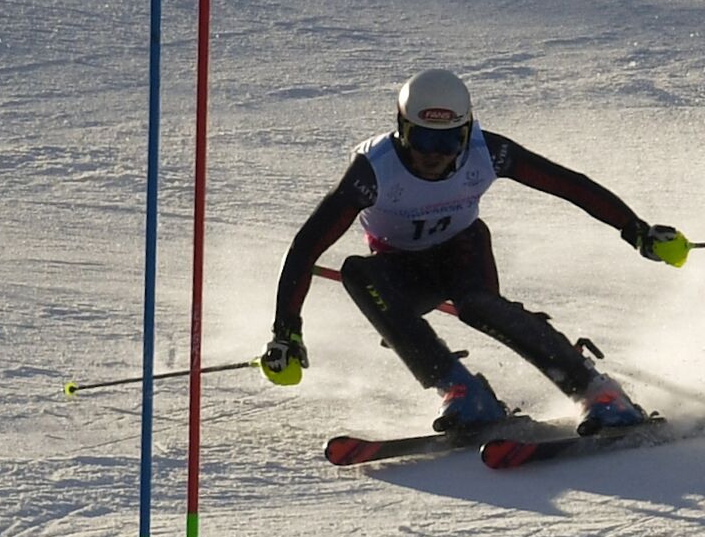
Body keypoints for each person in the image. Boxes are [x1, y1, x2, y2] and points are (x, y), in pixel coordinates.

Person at [260, 68, 681, 435]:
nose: (434, 155)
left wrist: (635, 230)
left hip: (463, 252)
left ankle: (597, 391)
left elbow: (567, 184)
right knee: (357, 273)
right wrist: (286, 332)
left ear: (466, 132)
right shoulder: (373, 170)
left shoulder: (487, 152)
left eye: (447, 142)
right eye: (422, 139)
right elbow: (306, 247)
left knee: (478, 306)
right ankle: (460, 390)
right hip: (401, 272)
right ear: (401, 129)